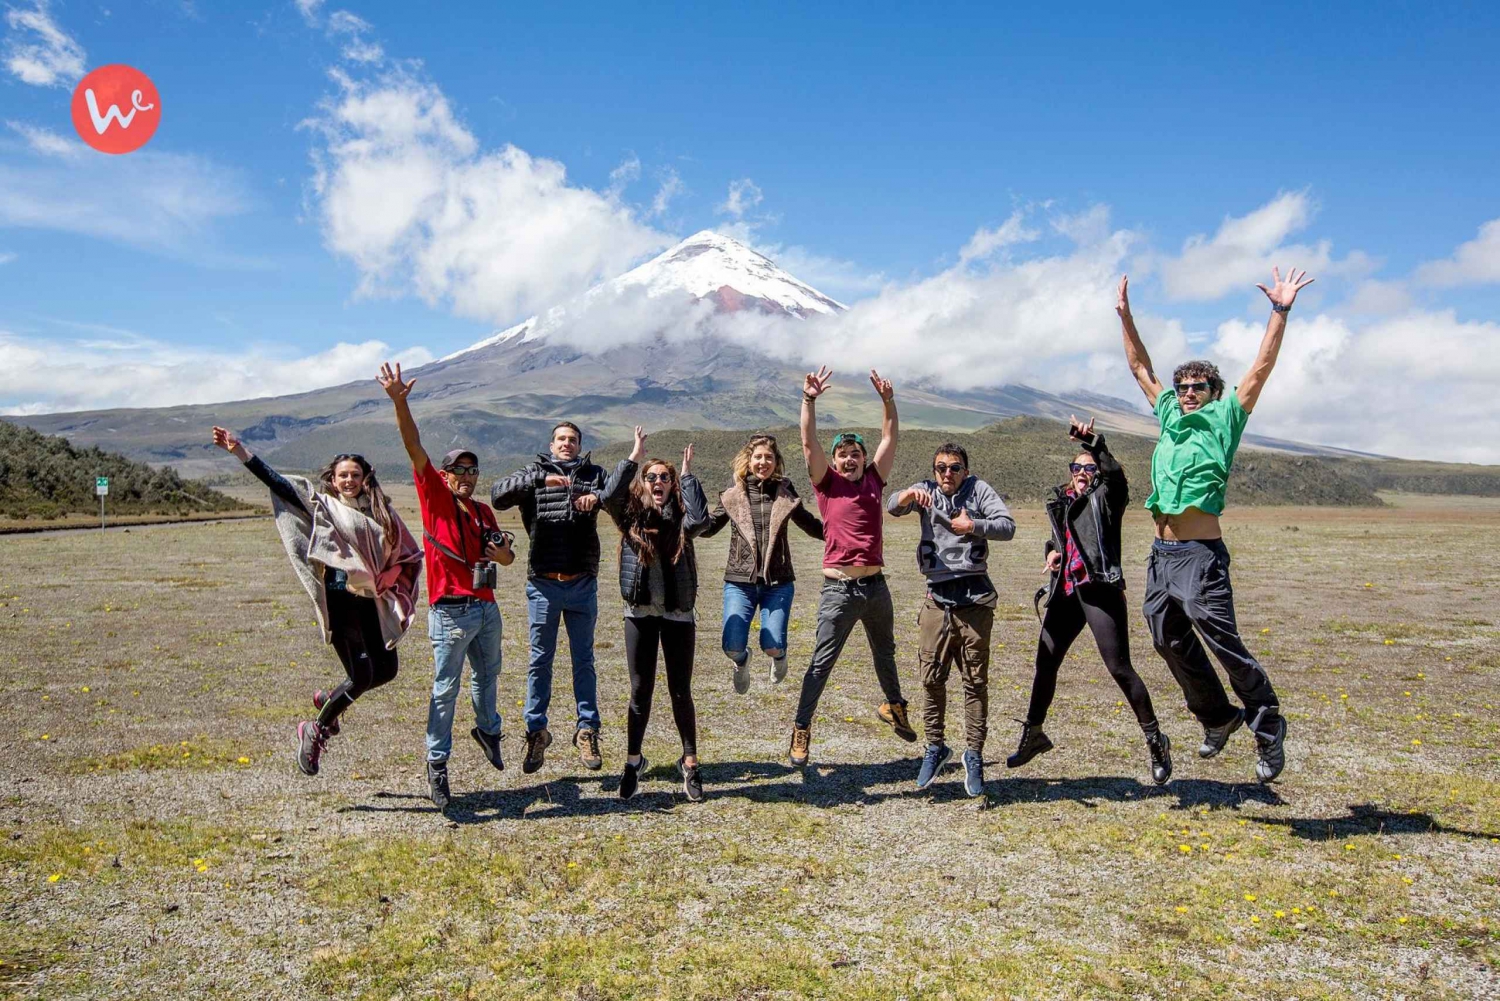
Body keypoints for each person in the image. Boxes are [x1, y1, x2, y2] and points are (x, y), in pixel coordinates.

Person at [1116, 267, 1314, 783]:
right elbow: (1139, 365)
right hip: (1161, 557)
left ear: (1213, 390)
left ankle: (1267, 722)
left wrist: (1280, 309)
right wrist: (1125, 317)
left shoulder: (1227, 415)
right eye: (1182, 386)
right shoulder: (1167, 414)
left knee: (1221, 640)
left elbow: (1262, 366)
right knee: (1165, 638)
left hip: (1201, 555)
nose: (1186, 392)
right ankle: (1219, 717)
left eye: (1196, 386)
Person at [210, 426, 422, 778]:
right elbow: (280, 484)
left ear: (365, 477)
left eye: (355, 474)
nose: (349, 480)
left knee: (386, 671)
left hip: (371, 599)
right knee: (362, 675)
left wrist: (392, 575)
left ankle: (328, 701)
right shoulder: (323, 506)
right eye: (343, 475)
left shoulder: (382, 510)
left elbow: (406, 552)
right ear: (333, 480)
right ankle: (316, 729)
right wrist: (240, 452)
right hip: (341, 601)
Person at [378, 362, 515, 809]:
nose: (468, 476)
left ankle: (488, 729)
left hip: (486, 608)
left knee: (489, 677)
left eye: (473, 470)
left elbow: (508, 557)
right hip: (450, 612)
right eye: (460, 469)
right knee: (444, 690)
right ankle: (437, 764)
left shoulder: (483, 512)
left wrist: (501, 555)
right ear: (445, 473)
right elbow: (413, 445)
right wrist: (401, 401)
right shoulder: (435, 497)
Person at [1009, 417, 1172, 786]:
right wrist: (1052, 552)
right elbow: (1063, 539)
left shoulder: (1108, 497)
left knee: (1119, 668)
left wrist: (1095, 443)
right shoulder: (1062, 500)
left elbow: (1115, 475)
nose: (1082, 472)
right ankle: (1034, 734)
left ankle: (1155, 741)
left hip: (1099, 589)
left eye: (1089, 467)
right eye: (1076, 467)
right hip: (1066, 590)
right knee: (1045, 662)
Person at [789, 366, 915, 767]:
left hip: (876, 587)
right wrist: (808, 400)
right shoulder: (827, 484)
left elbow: (890, 437)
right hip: (839, 590)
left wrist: (888, 401)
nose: (848, 459)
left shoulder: (875, 480)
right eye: (841, 454)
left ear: (863, 458)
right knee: (822, 662)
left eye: (854, 453)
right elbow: (809, 446)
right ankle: (801, 728)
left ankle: (894, 706)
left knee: (886, 653)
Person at [888, 442, 1015, 796]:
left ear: (965, 471)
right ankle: (935, 746)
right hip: (937, 598)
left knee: (974, 682)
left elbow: (1007, 527)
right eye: (941, 468)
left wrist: (973, 524)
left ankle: (973, 754)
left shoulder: (978, 490)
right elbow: (892, 506)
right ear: (933, 472)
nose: (947, 474)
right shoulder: (926, 491)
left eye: (955, 468)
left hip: (975, 600)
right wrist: (907, 494)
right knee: (931, 678)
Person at [595, 429, 712, 802]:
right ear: (642, 484)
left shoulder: (681, 516)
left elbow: (701, 522)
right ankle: (633, 762)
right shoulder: (629, 515)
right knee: (640, 691)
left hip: (678, 615)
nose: (658, 482)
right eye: (651, 477)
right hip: (640, 614)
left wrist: (689, 475)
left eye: (665, 477)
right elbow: (608, 495)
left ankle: (690, 762)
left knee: (681, 691)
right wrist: (634, 456)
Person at [491, 421, 613, 774]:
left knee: (584, 660)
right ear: (551, 443)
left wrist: (599, 497)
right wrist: (537, 481)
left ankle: (587, 730)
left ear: (580, 445)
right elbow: (498, 495)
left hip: (581, 584)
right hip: (543, 583)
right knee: (539, 661)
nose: (567, 444)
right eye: (562, 439)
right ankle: (536, 732)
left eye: (573, 440)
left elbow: (620, 495)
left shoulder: (594, 474)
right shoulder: (535, 472)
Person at [699, 433, 823, 694]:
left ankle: (779, 657)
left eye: (769, 457)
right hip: (739, 582)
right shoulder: (733, 496)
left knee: (773, 644)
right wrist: (688, 515)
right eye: (758, 457)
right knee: (731, 646)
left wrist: (841, 533)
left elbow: (810, 524)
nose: (763, 462)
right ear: (748, 460)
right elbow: (708, 528)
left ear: (776, 462)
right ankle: (742, 661)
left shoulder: (786, 494)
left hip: (778, 582)